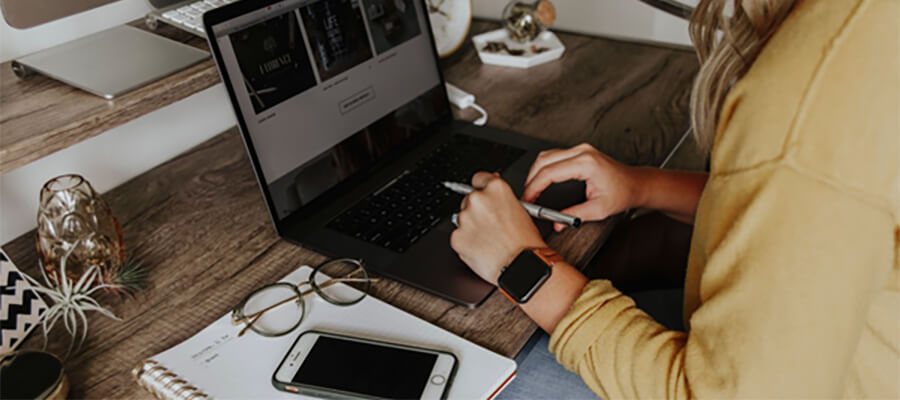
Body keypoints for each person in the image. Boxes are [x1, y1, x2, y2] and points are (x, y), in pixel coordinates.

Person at [449, 0, 898, 397]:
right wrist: (641, 185)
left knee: (466, 366)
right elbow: (808, 213)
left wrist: (521, 262)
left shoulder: (807, 100)